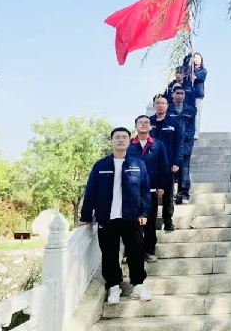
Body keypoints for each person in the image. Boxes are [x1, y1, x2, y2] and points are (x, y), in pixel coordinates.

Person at [79, 127, 152, 304]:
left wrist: (143, 212)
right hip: (107, 217)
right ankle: (113, 286)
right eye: (117, 137)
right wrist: (85, 216)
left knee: (136, 251)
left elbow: (144, 191)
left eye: (124, 137)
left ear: (129, 141)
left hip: (131, 216)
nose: (120, 140)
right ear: (111, 141)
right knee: (109, 252)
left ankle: (138, 285)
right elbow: (91, 191)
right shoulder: (100, 165)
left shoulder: (138, 164)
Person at [127, 116, 170, 262]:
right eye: (140, 123)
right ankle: (133, 251)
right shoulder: (129, 145)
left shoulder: (158, 145)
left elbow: (163, 166)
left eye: (146, 123)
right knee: (132, 222)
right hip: (131, 190)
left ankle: (149, 250)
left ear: (151, 127)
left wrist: (161, 186)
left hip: (151, 190)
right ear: (136, 126)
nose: (144, 125)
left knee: (150, 223)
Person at [150, 94, 183, 231]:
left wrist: (177, 162)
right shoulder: (148, 122)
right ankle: (150, 221)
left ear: (167, 105)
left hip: (168, 163)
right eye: (158, 103)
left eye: (163, 103)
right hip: (150, 164)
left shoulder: (174, 123)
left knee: (168, 194)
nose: (160, 105)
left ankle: (168, 220)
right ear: (154, 106)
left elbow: (179, 143)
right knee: (151, 193)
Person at [168, 85, 196, 205]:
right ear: (172, 95)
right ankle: (170, 195)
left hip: (185, 145)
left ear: (184, 95)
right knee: (170, 170)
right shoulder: (168, 109)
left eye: (182, 93)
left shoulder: (190, 110)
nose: (180, 96)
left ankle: (184, 194)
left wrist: (181, 137)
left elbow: (191, 129)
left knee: (184, 170)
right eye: (177, 93)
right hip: (171, 145)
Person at [183, 52, 207, 140]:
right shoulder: (190, 69)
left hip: (197, 95)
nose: (197, 60)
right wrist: (189, 56)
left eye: (198, 58)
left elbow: (201, 77)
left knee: (197, 114)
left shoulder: (203, 70)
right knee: (187, 113)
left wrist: (195, 76)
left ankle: (196, 132)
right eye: (195, 58)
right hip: (189, 94)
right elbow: (184, 65)